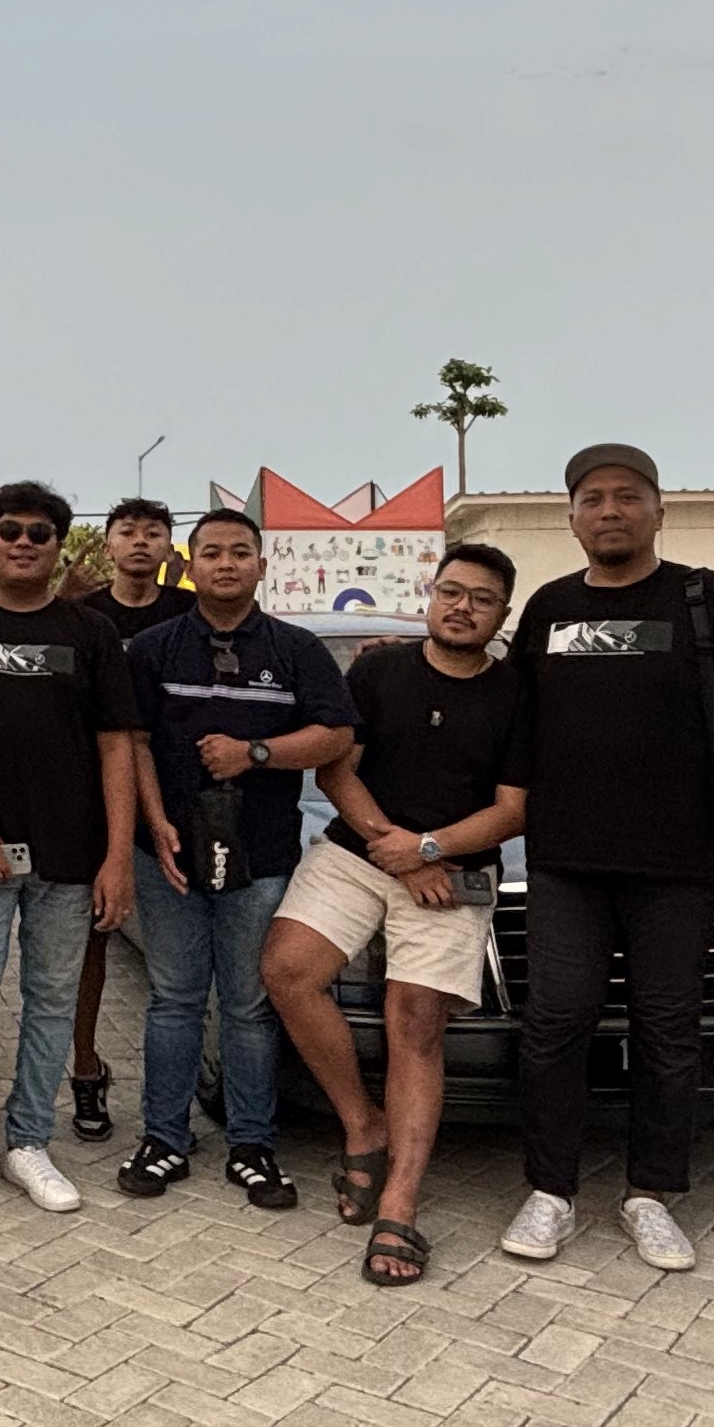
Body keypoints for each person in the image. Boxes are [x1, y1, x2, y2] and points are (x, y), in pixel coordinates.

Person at [501, 445, 714, 1276]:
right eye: (593, 499)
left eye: (628, 496)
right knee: (555, 1022)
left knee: (669, 1028)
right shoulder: (550, 608)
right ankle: (551, 1190)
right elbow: (514, 724)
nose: (610, 510)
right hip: (565, 859)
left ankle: (652, 1194)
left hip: (682, 861)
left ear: (659, 511)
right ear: (572, 519)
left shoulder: (709, 599)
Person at [263, 543, 530, 1287]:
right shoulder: (379, 671)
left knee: (415, 1021)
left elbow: (513, 811)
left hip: (456, 868)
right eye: (452, 591)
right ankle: (363, 1125)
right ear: (430, 596)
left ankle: (401, 1205)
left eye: (482, 598)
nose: (463, 607)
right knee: (286, 971)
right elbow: (335, 769)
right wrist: (400, 850)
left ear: (502, 614)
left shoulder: (517, 694)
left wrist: (431, 848)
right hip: (362, 849)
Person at [0, 479, 139, 1222]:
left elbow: (116, 747)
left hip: (69, 856)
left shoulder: (90, 633)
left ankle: (29, 1143)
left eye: (39, 533)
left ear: (57, 547)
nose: (22, 543)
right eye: (9, 529)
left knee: (52, 1002)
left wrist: (117, 855)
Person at [120, 510, 354, 1209]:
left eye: (240, 552)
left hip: (263, 854)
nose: (226, 563)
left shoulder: (297, 649)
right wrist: (155, 823)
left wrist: (256, 753)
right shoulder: (154, 649)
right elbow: (132, 743)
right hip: (167, 854)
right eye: (213, 552)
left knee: (250, 1006)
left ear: (261, 564)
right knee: (174, 1001)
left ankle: (253, 1145)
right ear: (190, 566)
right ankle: (164, 1138)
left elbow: (335, 734)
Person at [67, 496, 194, 1142]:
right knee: (92, 940)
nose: (141, 542)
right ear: (109, 544)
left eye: (154, 532)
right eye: (128, 532)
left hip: (181, 801)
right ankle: (86, 1068)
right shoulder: (83, 615)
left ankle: (184, 1091)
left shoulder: (191, 611)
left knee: (182, 961)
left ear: (169, 546)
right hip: (96, 797)